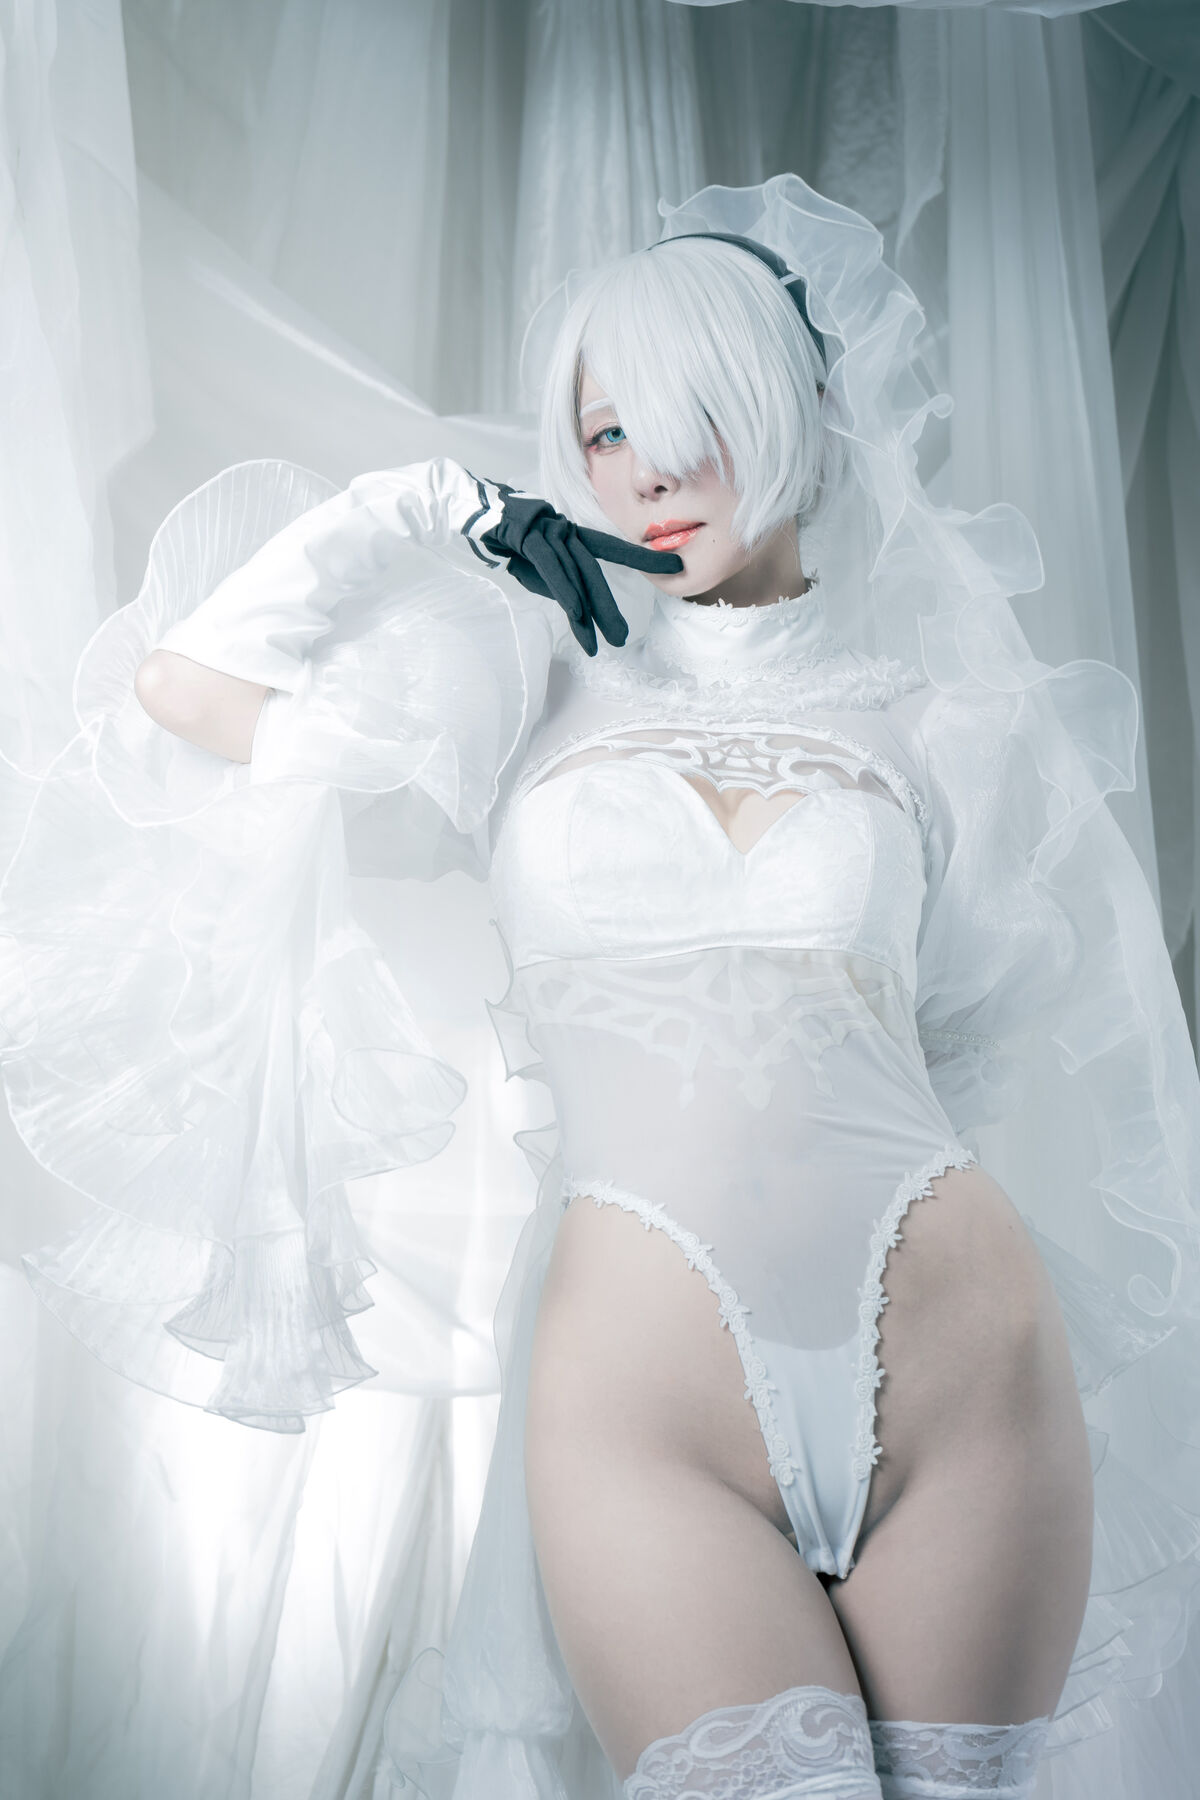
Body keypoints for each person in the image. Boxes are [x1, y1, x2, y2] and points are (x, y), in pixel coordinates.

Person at [2, 176, 1198, 1800]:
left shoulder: (942, 730)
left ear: (792, 410)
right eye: (608, 432)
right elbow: (186, 688)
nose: (650, 471)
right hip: (645, 1405)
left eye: (694, 419)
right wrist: (425, 508)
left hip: (966, 1369)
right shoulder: (520, 689)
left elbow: (982, 1050)